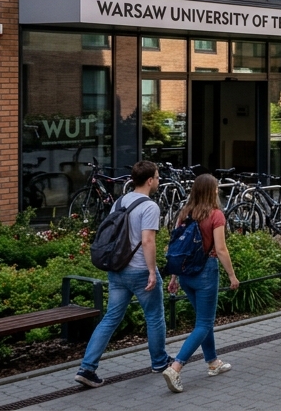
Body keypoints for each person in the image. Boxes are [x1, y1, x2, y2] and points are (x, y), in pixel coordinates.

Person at [76, 160, 170, 388]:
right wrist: (151, 271)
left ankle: (87, 368)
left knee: (110, 319)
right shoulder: (150, 206)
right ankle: (159, 362)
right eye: (157, 177)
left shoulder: (120, 201)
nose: (158, 181)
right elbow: (147, 240)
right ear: (149, 181)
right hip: (139, 271)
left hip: (117, 270)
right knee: (155, 316)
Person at [161, 173, 239, 392]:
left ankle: (213, 362)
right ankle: (175, 367)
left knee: (204, 321)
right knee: (204, 323)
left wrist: (174, 277)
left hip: (185, 274)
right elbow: (221, 249)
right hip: (206, 271)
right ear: (211, 191)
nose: (217, 190)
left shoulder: (184, 213)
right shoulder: (216, 215)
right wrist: (232, 275)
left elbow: (177, 248)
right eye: (215, 187)